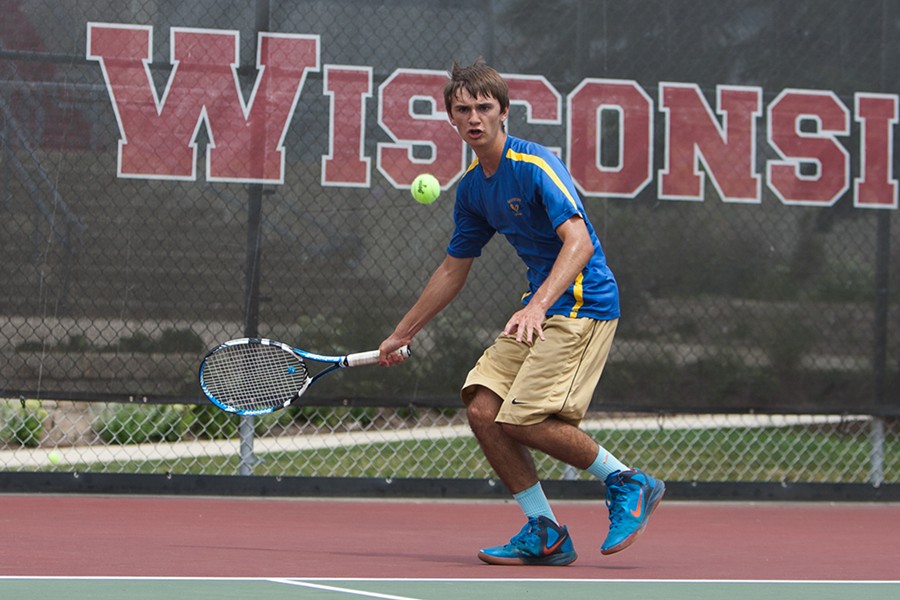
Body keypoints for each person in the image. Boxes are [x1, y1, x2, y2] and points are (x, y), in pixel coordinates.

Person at [378, 59, 664, 566]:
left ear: (504, 111)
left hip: (583, 306)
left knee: (524, 418)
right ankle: (546, 531)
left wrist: (536, 305)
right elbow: (452, 269)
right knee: (484, 410)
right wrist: (402, 333)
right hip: (540, 310)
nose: (474, 118)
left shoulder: (534, 164)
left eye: (484, 107)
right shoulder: (471, 188)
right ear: (450, 117)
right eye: (462, 109)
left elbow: (578, 242)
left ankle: (628, 481)